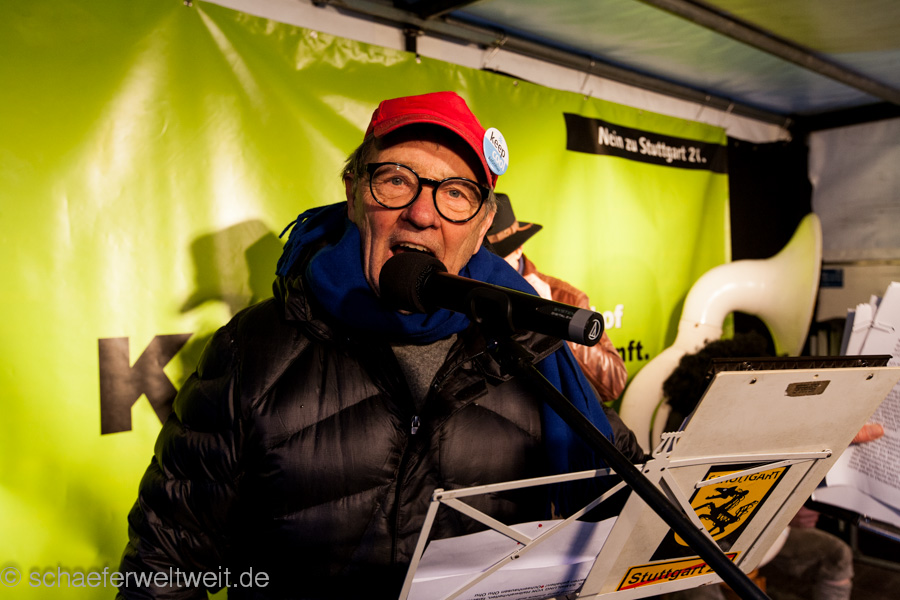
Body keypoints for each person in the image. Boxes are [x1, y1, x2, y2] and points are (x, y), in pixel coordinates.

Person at [117, 91, 634, 600]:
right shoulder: (252, 347)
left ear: (481, 227)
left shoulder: (528, 347)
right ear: (354, 194)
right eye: (397, 180)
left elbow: (636, 516)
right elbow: (165, 564)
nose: (423, 214)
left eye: (456, 193)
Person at [659, 332, 881, 600]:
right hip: (694, 544)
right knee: (697, 589)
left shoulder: (770, 426)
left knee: (836, 555)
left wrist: (788, 510)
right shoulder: (693, 432)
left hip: (759, 537)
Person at [486, 193, 629, 404]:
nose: (488, 266)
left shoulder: (563, 297)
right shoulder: (471, 295)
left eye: (498, 256)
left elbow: (613, 382)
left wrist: (560, 323)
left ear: (518, 249)